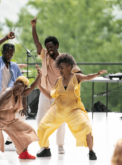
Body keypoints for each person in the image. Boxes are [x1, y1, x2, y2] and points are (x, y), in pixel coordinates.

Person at [37, 54, 106, 160]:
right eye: (59, 67)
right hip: (58, 109)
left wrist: (97, 74)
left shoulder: (76, 77)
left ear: (69, 66)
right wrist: (39, 85)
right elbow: (51, 94)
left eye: (62, 67)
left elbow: (87, 77)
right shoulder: (58, 81)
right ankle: (46, 150)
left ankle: (91, 151)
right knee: (42, 126)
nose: (60, 69)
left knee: (86, 126)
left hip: (74, 109)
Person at [31, 17, 83, 155]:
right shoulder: (44, 55)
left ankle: (60, 145)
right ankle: (44, 145)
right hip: (45, 92)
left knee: (60, 120)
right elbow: (36, 43)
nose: (49, 50)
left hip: (59, 94)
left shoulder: (65, 58)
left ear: (57, 46)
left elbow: (78, 72)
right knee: (40, 119)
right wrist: (34, 27)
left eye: (52, 47)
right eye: (47, 48)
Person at [0, 67, 42, 164]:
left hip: (10, 120)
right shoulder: (9, 91)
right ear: (14, 84)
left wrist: (40, 76)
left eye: (20, 90)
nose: (18, 91)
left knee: (26, 129)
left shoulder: (21, 93)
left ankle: (23, 153)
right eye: (17, 88)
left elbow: (32, 87)